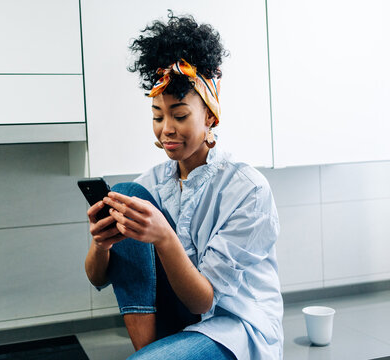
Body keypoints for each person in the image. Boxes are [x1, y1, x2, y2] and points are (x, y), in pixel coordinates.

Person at [84, 12, 283, 360]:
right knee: (128, 195)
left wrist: (163, 235)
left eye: (179, 115)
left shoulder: (248, 191)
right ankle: (148, 351)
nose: (166, 130)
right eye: (158, 117)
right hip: (176, 328)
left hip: (233, 330)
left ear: (209, 115)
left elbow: (203, 300)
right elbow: (97, 278)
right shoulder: (154, 184)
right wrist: (101, 244)